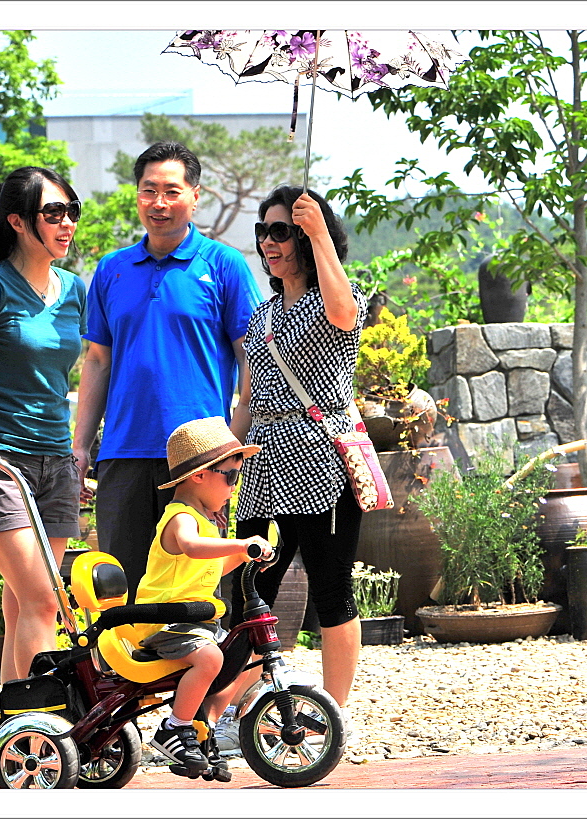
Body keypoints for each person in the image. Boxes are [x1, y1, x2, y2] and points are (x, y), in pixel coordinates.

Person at [72, 141, 261, 597]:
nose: (159, 202)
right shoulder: (112, 269)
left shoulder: (224, 265)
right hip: (123, 454)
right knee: (119, 591)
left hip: (200, 460)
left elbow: (251, 357)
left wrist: (232, 447)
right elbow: (97, 361)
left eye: (172, 191)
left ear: (195, 196)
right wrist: (80, 448)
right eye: (149, 190)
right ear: (137, 195)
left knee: (197, 590)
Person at [220, 185, 365, 744]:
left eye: (281, 230)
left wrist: (320, 231)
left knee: (332, 590)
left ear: (306, 235)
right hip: (263, 460)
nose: (268, 242)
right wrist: (224, 460)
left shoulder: (334, 298)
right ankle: (233, 710)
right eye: (263, 232)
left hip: (321, 457)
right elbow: (249, 398)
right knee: (249, 589)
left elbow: (344, 312)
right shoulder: (262, 314)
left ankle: (333, 713)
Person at [0, 167, 87, 683]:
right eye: (54, 212)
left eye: (72, 211)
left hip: (57, 460)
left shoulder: (74, 290)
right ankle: (43, 719)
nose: (67, 223)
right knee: (44, 599)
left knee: (24, 602)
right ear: (18, 221)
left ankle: (15, 722)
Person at [135, 417, 273, 772]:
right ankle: (173, 728)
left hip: (193, 620)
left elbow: (210, 568)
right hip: (165, 620)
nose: (233, 488)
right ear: (199, 475)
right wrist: (241, 543)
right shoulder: (180, 516)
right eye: (230, 477)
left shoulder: (206, 520)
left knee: (241, 656)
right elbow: (192, 547)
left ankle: (202, 727)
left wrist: (243, 557)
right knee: (211, 658)